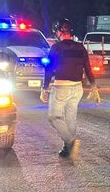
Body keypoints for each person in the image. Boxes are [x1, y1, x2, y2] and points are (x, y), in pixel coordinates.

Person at [40, 19, 97, 160]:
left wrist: (44, 88)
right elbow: (88, 69)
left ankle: (70, 142)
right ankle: (67, 148)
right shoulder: (80, 48)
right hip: (77, 88)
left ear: (59, 32)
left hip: (61, 87)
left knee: (54, 117)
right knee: (71, 117)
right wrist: (94, 87)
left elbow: (49, 70)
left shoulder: (56, 48)